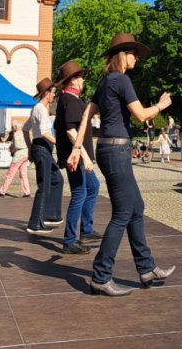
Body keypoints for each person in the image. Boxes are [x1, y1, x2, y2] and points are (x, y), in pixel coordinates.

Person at [67, 33, 175, 296]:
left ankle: (146, 268)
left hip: (109, 149)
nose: (137, 58)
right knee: (123, 213)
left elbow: (86, 114)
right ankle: (101, 276)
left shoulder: (105, 82)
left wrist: (77, 146)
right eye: (133, 53)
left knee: (136, 206)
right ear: (121, 55)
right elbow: (140, 114)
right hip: (116, 151)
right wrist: (161, 105)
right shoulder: (122, 80)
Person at [54, 60, 101, 255]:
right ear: (72, 80)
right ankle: (70, 240)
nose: (83, 79)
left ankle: (86, 231)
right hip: (76, 157)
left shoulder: (72, 99)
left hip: (79, 156)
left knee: (93, 187)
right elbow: (71, 131)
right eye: (81, 76)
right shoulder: (69, 100)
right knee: (80, 192)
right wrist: (84, 156)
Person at [24, 77, 64, 234]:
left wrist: (29, 149)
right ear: (47, 94)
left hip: (40, 148)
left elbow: (25, 128)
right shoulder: (40, 109)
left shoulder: (38, 109)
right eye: (53, 93)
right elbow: (44, 132)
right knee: (44, 185)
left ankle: (50, 215)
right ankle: (35, 223)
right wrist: (58, 143)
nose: (54, 96)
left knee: (57, 179)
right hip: (42, 147)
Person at [0, 120, 31, 198]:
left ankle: (2, 191)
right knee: (23, 175)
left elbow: (16, 146)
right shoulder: (25, 133)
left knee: (10, 174)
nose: (12, 128)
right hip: (25, 154)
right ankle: (27, 192)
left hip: (18, 155)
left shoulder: (16, 134)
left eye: (13, 126)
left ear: (15, 127)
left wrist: (11, 150)